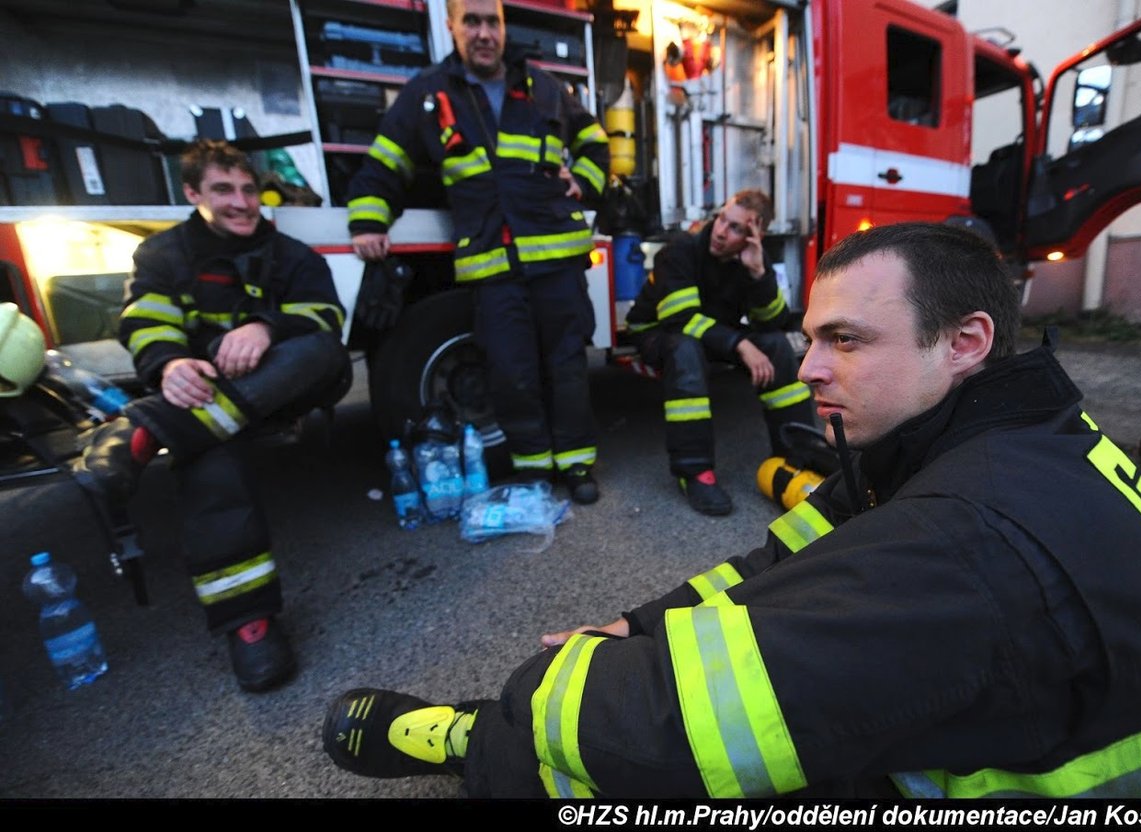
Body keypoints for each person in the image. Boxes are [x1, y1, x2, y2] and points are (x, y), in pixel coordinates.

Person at [320, 222, 1141, 797]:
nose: (812, 365)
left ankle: (465, 739)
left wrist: (538, 691)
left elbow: (665, 728)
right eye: (817, 337)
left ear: (965, 341)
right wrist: (642, 624)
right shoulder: (1020, 429)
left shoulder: (958, 542)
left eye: (846, 340)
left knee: (606, 771)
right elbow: (795, 556)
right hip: (1034, 726)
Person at [74, 140, 350, 692]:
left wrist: (266, 328)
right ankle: (249, 622)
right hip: (207, 396)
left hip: (284, 384)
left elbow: (325, 315)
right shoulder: (163, 256)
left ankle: (151, 429)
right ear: (193, 192)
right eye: (224, 189)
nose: (242, 202)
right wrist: (171, 361)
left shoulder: (295, 256)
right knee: (211, 450)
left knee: (323, 350)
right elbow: (146, 322)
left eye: (249, 189)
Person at [344, 0, 610, 504]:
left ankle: (577, 465)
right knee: (511, 372)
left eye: (493, 22)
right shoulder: (429, 94)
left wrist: (586, 183)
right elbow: (385, 160)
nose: (484, 32)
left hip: (557, 257)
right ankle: (534, 468)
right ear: (452, 27)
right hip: (493, 265)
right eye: (472, 21)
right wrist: (368, 220)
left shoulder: (542, 86)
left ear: (505, 28)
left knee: (568, 367)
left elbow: (595, 140)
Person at [625, 190, 814, 516]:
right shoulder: (680, 250)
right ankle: (694, 471)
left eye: (736, 228)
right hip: (658, 332)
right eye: (722, 219)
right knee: (686, 349)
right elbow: (680, 320)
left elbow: (774, 323)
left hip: (709, 332)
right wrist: (740, 345)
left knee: (776, 347)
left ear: (755, 235)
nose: (722, 231)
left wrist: (759, 275)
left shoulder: (752, 259)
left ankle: (797, 455)